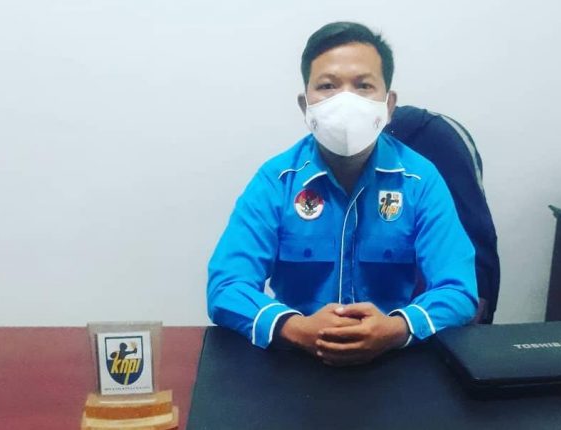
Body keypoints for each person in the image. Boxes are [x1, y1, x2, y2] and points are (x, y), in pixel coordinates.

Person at [207, 22, 477, 367]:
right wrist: (294, 328)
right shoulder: (277, 180)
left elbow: (459, 289)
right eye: (327, 86)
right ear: (305, 105)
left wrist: (397, 328)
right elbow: (227, 286)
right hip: (295, 363)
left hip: (394, 362)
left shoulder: (420, 180)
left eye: (363, 85)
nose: (345, 100)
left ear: (389, 105)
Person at [385, 108, 500, 323]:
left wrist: (398, 327)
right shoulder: (313, 166)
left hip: (421, 327)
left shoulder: (424, 166)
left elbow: (465, 289)